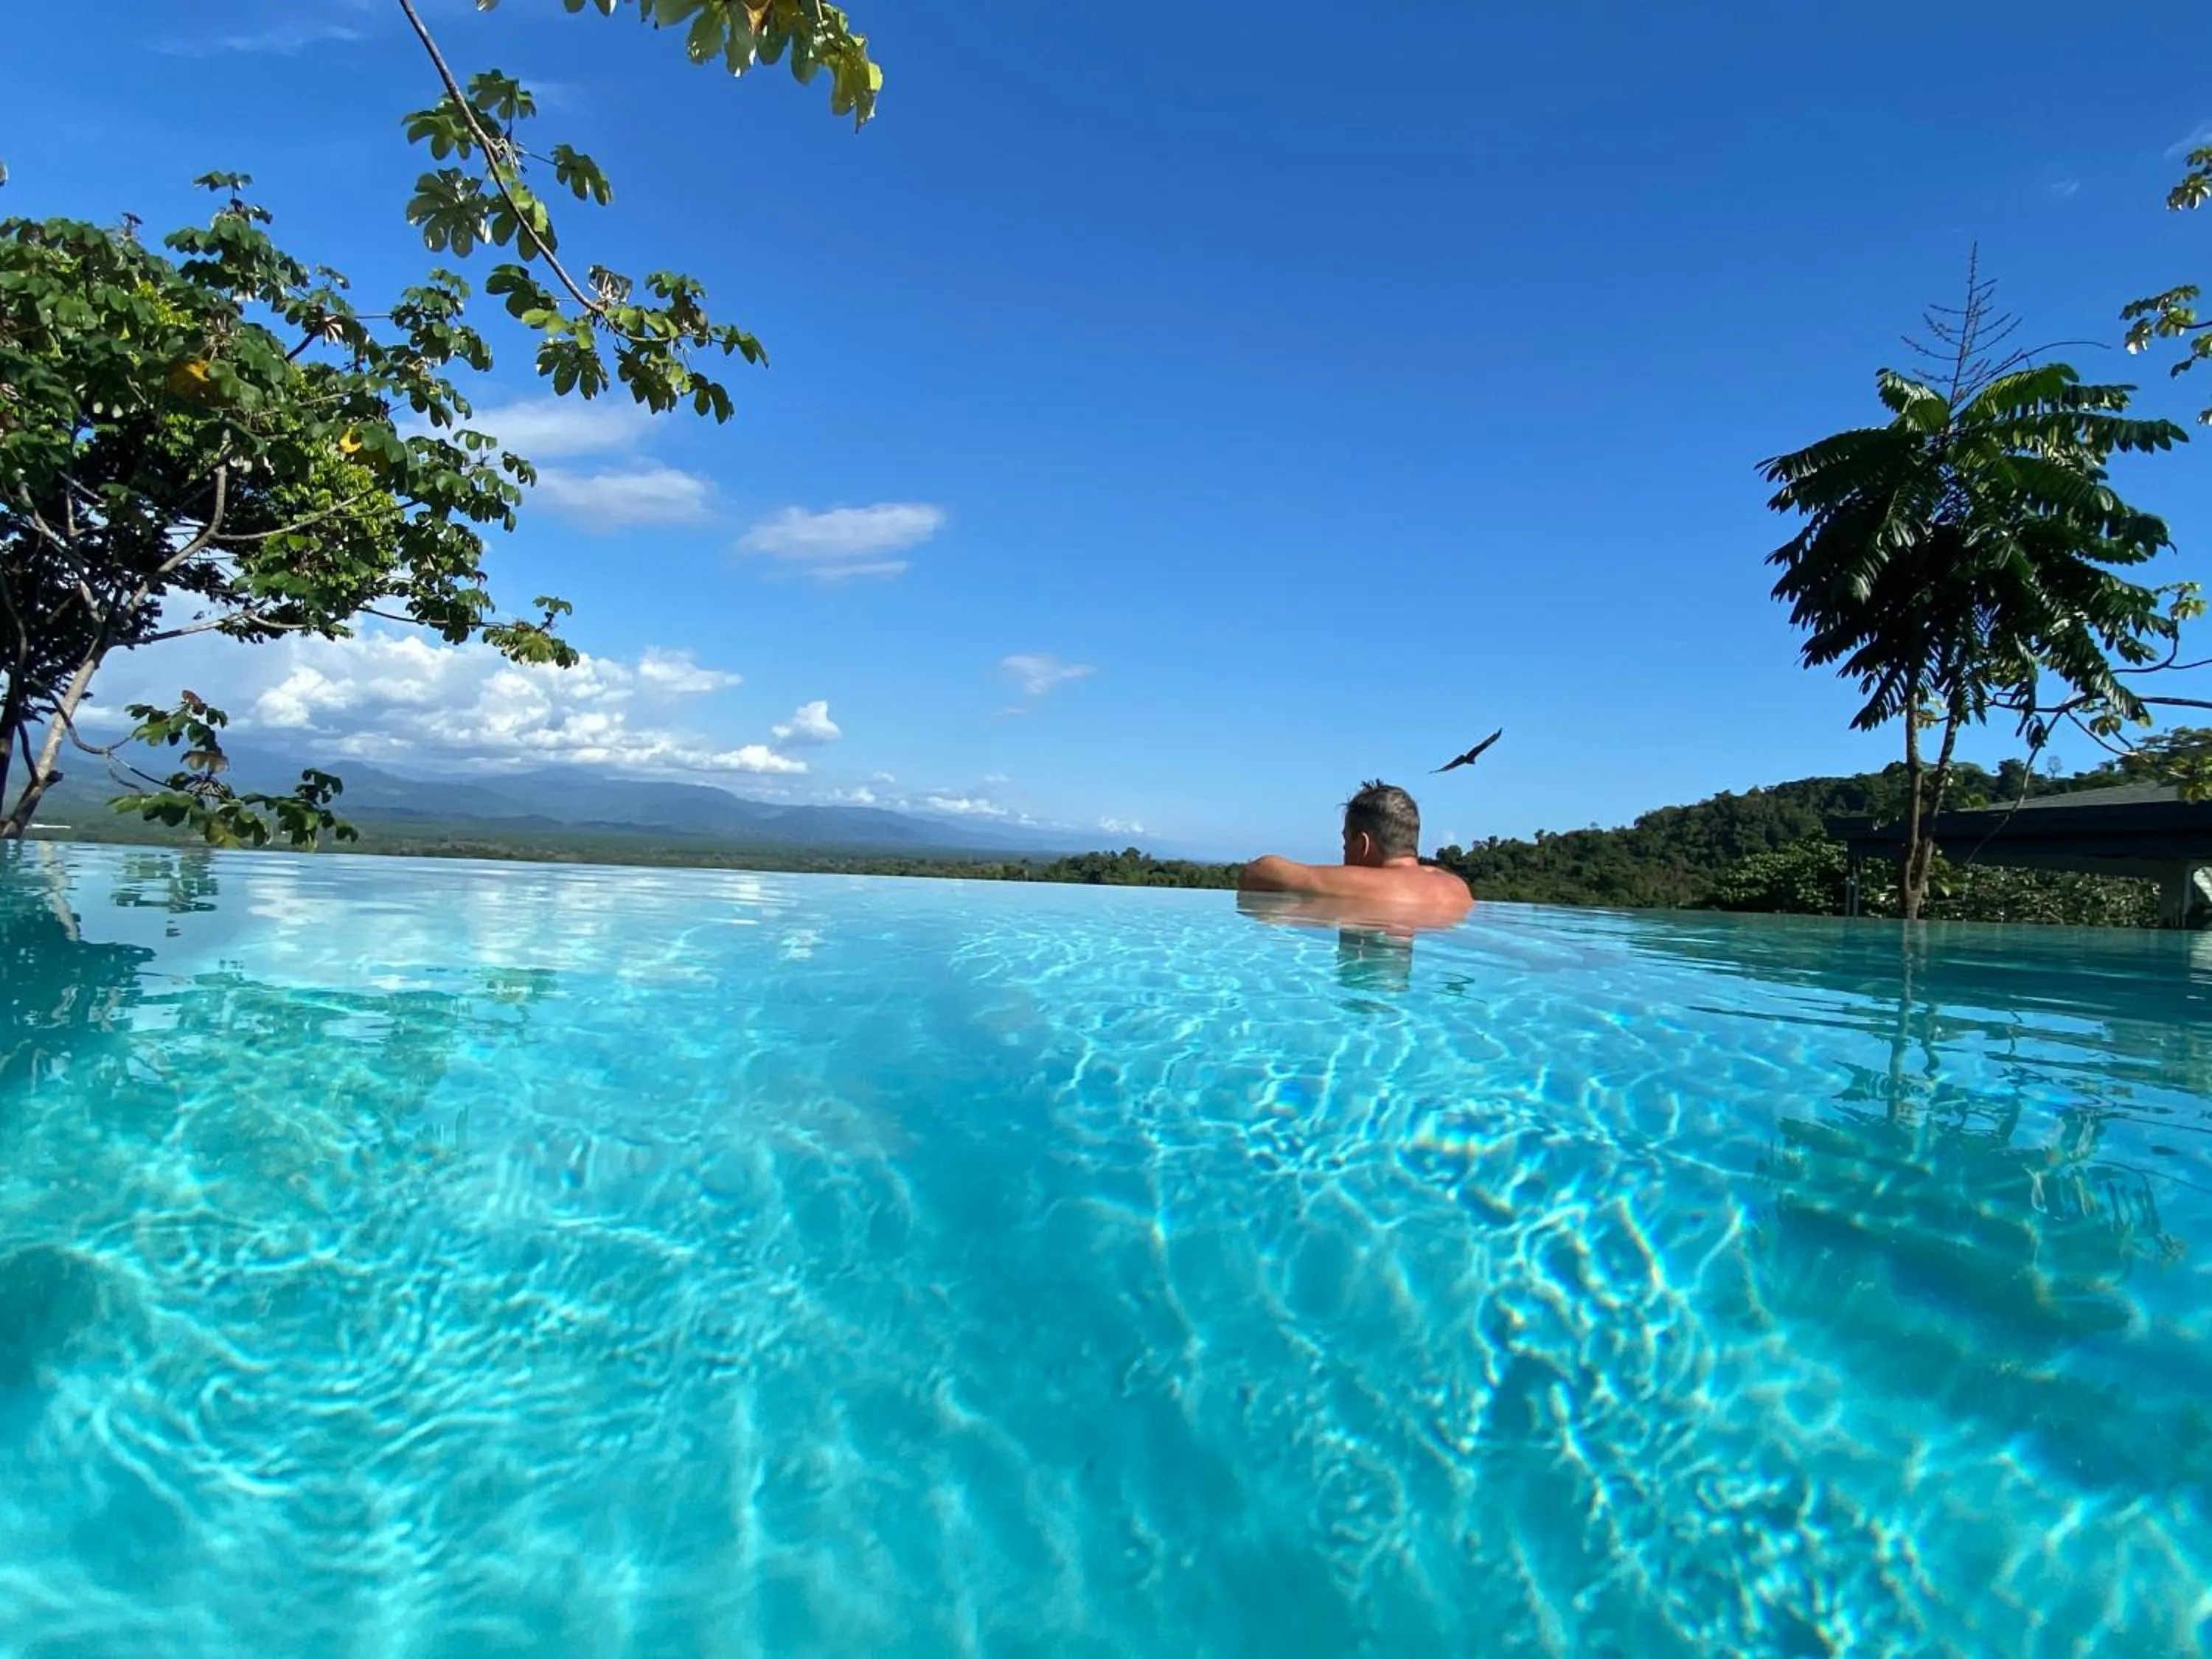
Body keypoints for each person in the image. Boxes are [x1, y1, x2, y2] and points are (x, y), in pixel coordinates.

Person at [1237, 780, 1472, 926]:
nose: (1343, 850)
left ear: (1362, 844)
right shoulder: (1456, 887)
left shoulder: (1365, 884)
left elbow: (1256, 872)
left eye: (1345, 841)